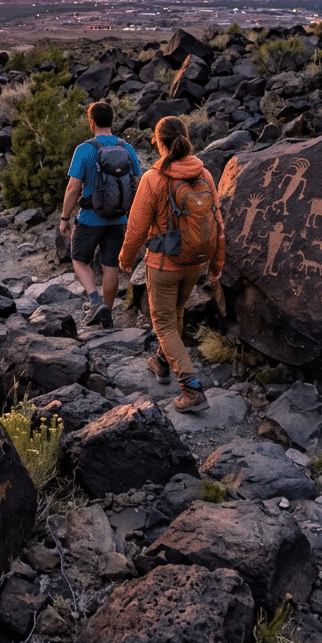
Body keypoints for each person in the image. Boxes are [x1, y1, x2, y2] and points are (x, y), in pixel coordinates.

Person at [119, 115, 225, 413]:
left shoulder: (154, 178)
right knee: (175, 311)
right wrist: (217, 261)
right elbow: (217, 219)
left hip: (165, 264)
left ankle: (191, 390)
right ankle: (162, 362)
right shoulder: (203, 173)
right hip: (196, 262)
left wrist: (126, 259)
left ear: (161, 143)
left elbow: (137, 225)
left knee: (164, 323)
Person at [59, 101, 142, 329]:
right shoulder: (127, 148)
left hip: (89, 218)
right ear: (112, 121)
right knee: (110, 266)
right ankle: (107, 315)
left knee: (79, 260)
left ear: (91, 122)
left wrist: (65, 218)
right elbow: (138, 182)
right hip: (118, 219)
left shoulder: (85, 149)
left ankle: (96, 301)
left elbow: (73, 188)